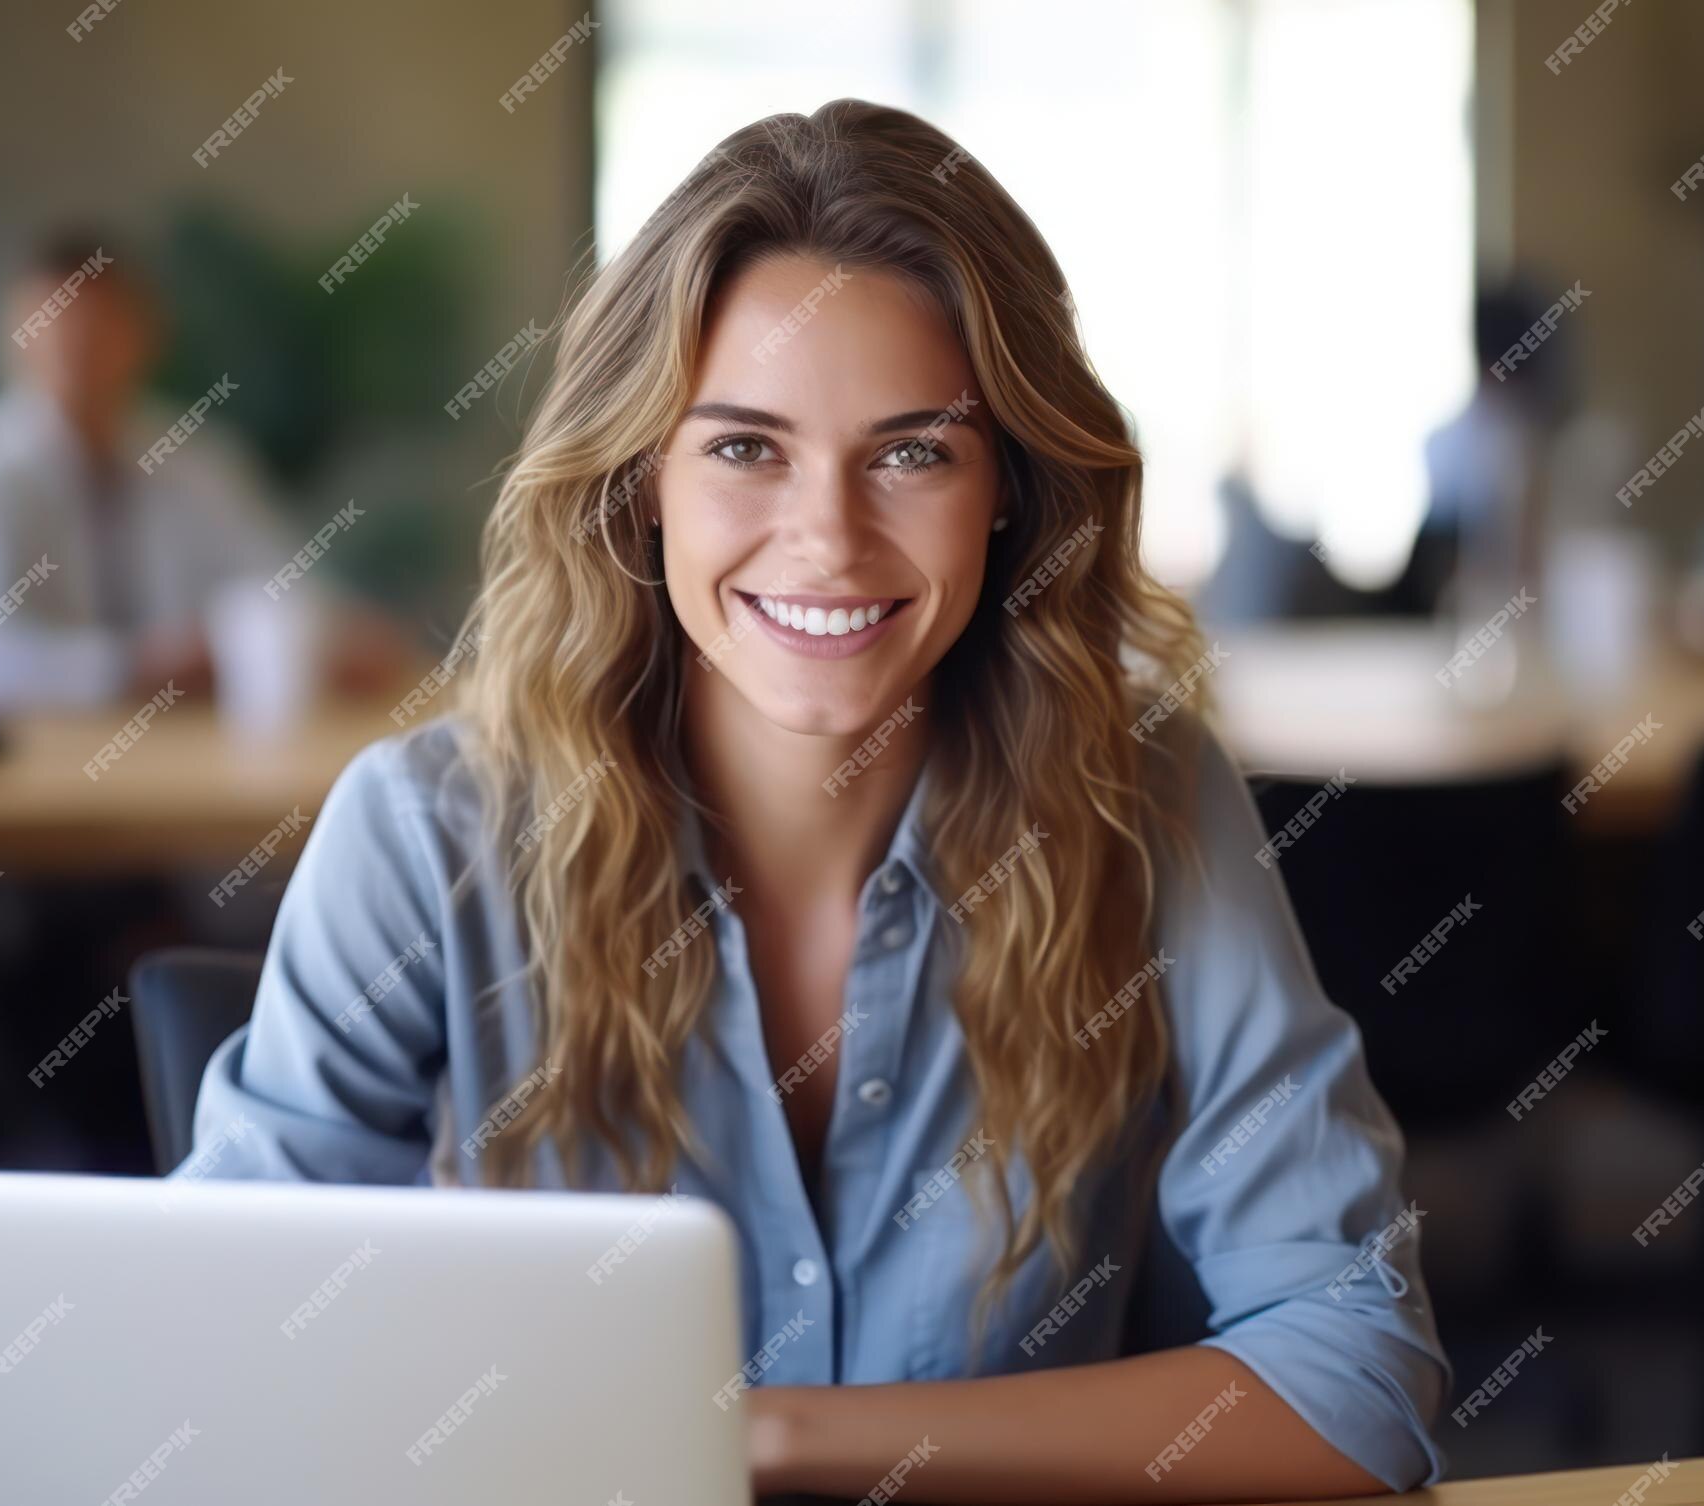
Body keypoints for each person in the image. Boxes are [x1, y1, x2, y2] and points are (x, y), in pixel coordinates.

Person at [173, 101, 1450, 1499]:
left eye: (914, 451)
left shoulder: (1139, 798)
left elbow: (1360, 1377)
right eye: (743, 447)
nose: (829, 540)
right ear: (640, 481)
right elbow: (226, 1368)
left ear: (1008, 492)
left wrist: (765, 1435)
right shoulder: (427, 836)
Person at [0, 229, 313, 711]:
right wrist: (140, 667)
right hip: (28, 764)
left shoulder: (200, 460)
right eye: (55, 324)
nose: (79, 347)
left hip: (192, 754)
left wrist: (321, 635)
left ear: (148, 334)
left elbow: (281, 582)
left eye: (100, 326)